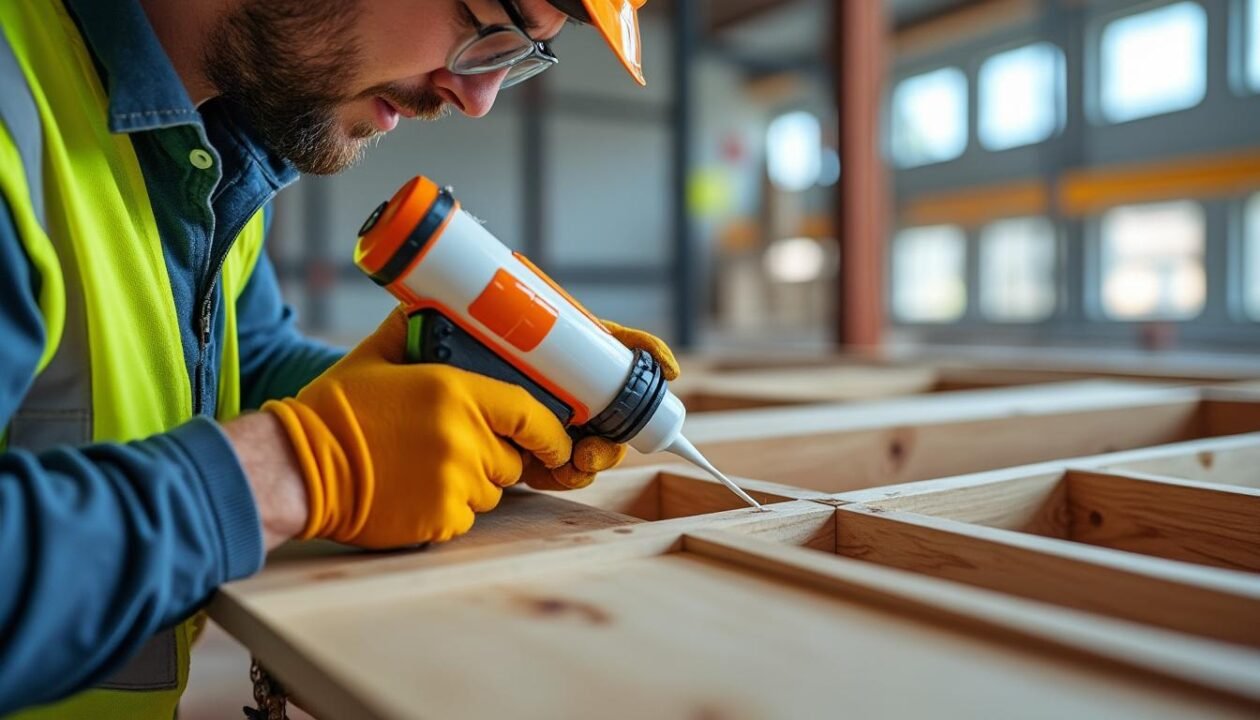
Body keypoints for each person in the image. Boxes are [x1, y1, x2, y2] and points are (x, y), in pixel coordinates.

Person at [0, 0, 667, 716]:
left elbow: (236, 359)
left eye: (521, 54)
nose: (477, 97)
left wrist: (434, 407)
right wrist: (299, 469)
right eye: (485, 25)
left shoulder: (219, 135)